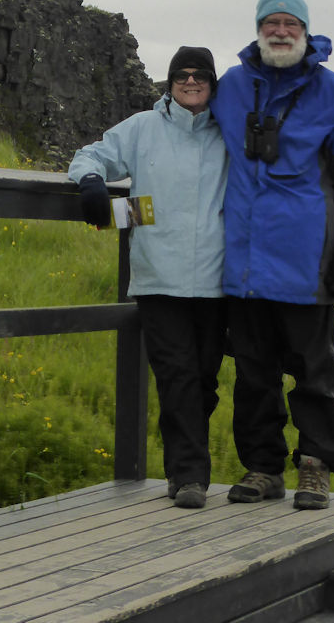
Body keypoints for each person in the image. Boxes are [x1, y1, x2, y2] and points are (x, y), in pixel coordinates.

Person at [211, 0, 334, 511]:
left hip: (309, 260)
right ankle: (262, 468)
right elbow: (183, 124)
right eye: (271, 23)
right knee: (253, 372)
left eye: (289, 23)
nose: (280, 31)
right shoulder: (232, 86)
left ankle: (315, 467)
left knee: (314, 371)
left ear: (305, 31)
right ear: (258, 29)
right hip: (245, 261)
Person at [68, 47, 228, 510]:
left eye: (200, 75)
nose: (191, 81)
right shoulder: (142, 128)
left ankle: (183, 465)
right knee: (176, 375)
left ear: (213, 83)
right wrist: (93, 184)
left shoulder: (228, 133)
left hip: (218, 279)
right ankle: (190, 474)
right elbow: (90, 154)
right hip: (160, 275)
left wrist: (135, 212)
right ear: (169, 81)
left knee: (204, 380)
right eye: (182, 74)